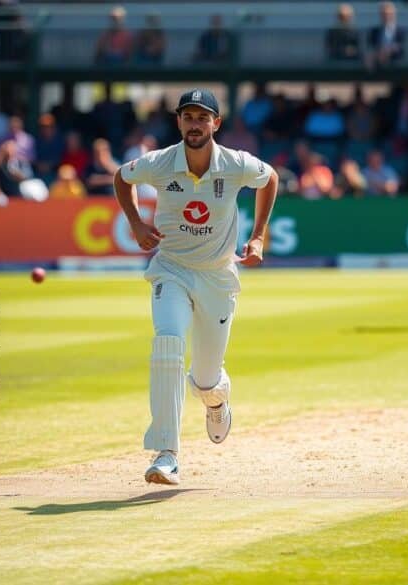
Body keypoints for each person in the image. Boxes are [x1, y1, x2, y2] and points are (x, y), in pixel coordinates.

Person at [113, 88, 278, 485]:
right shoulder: (161, 162)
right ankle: (166, 453)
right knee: (167, 342)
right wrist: (136, 223)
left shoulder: (236, 164)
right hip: (172, 269)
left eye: (203, 118)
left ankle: (216, 398)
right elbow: (122, 177)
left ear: (215, 124)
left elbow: (269, 178)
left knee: (205, 377)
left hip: (217, 276)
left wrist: (258, 236)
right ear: (179, 123)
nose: (195, 125)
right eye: (188, 117)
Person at [367, 1, 405, 68]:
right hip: (377, 63)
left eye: (389, 14)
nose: (386, 16)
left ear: (394, 14)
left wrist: (387, 51)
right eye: (384, 14)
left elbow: (401, 48)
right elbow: (370, 47)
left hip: (395, 62)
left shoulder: (401, 31)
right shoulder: (374, 31)